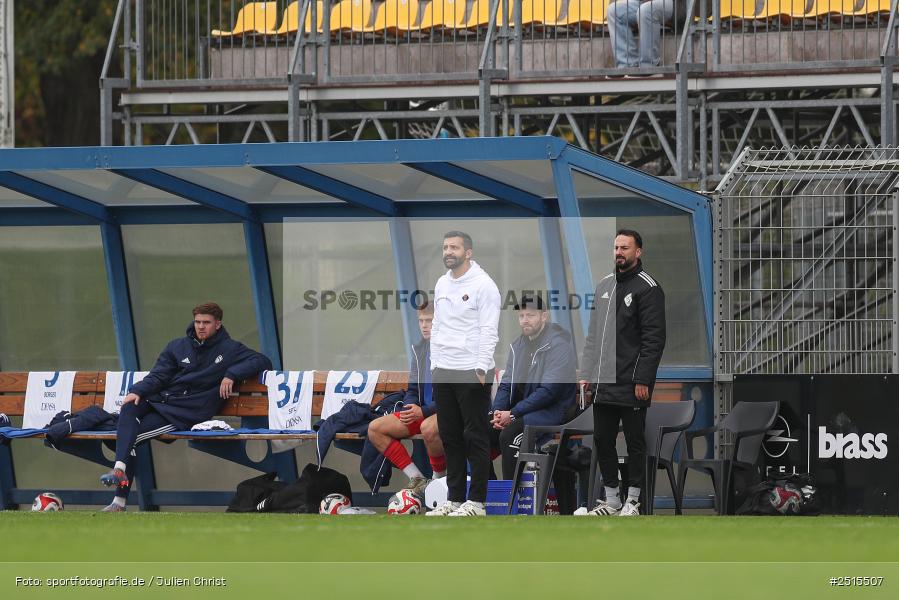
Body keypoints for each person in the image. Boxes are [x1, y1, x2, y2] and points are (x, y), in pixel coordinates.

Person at [98, 302, 272, 512]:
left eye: (206, 322)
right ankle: (119, 471)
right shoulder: (177, 346)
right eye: (198, 321)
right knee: (129, 406)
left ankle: (119, 501)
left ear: (217, 324)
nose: (200, 326)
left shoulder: (230, 349)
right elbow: (158, 376)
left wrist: (231, 375)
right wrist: (138, 390)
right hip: (159, 401)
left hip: (181, 415)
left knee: (124, 439)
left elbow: (262, 361)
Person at [577, 229, 666, 516]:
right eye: (616, 247)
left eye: (625, 247)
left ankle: (634, 500)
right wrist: (586, 373)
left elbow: (654, 339)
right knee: (602, 439)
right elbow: (593, 337)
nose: (619, 252)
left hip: (631, 383)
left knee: (635, 441)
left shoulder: (648, 288)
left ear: (638, 252)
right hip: (604, 384)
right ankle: (612, 500)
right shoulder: (604, 286)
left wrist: (643, 378)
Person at [427, 231, 501, 517]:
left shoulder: (485, 285)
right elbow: (438, 327)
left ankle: (477, 502)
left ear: (468, 252)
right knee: (450, 436)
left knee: (475, 436)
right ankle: (455, 499)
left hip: (472, 371)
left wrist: (481, 367)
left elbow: (488, 330)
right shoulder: (442, 283)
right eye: (445, 247)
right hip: (444, 370)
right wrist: (435, 364)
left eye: (454, 247)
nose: (448, 252)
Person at [490, 295, 577, 480]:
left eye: (530, 315)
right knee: (475, 433)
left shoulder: (559, 346)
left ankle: (513, 501)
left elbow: (549, 392)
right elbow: (506, 384)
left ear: (544, 317)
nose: (525, 320)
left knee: (510, 435)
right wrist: (498, 411)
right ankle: (484, 497)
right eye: (521, 316)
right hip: (520, 412)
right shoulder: (517, 346)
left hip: (553, 412)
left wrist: (513, 413)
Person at [366, 301, 445, 501]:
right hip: (421, 411)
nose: (424, 325)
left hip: (445, 411)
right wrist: (412, 406)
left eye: (430, 321)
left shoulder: (451, 350)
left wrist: (424, 411)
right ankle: (417, 478)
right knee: (375, 428)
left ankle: (438, 479)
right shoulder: (419, 349)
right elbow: (412, 388)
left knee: (428, 427)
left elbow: (453, 396)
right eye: (421, 321)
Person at [607, 0, 685, 71]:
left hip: (676, 4)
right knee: (613, 10)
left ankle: (649, 65)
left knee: (646, 10)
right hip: (644, 2)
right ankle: (628, 65)